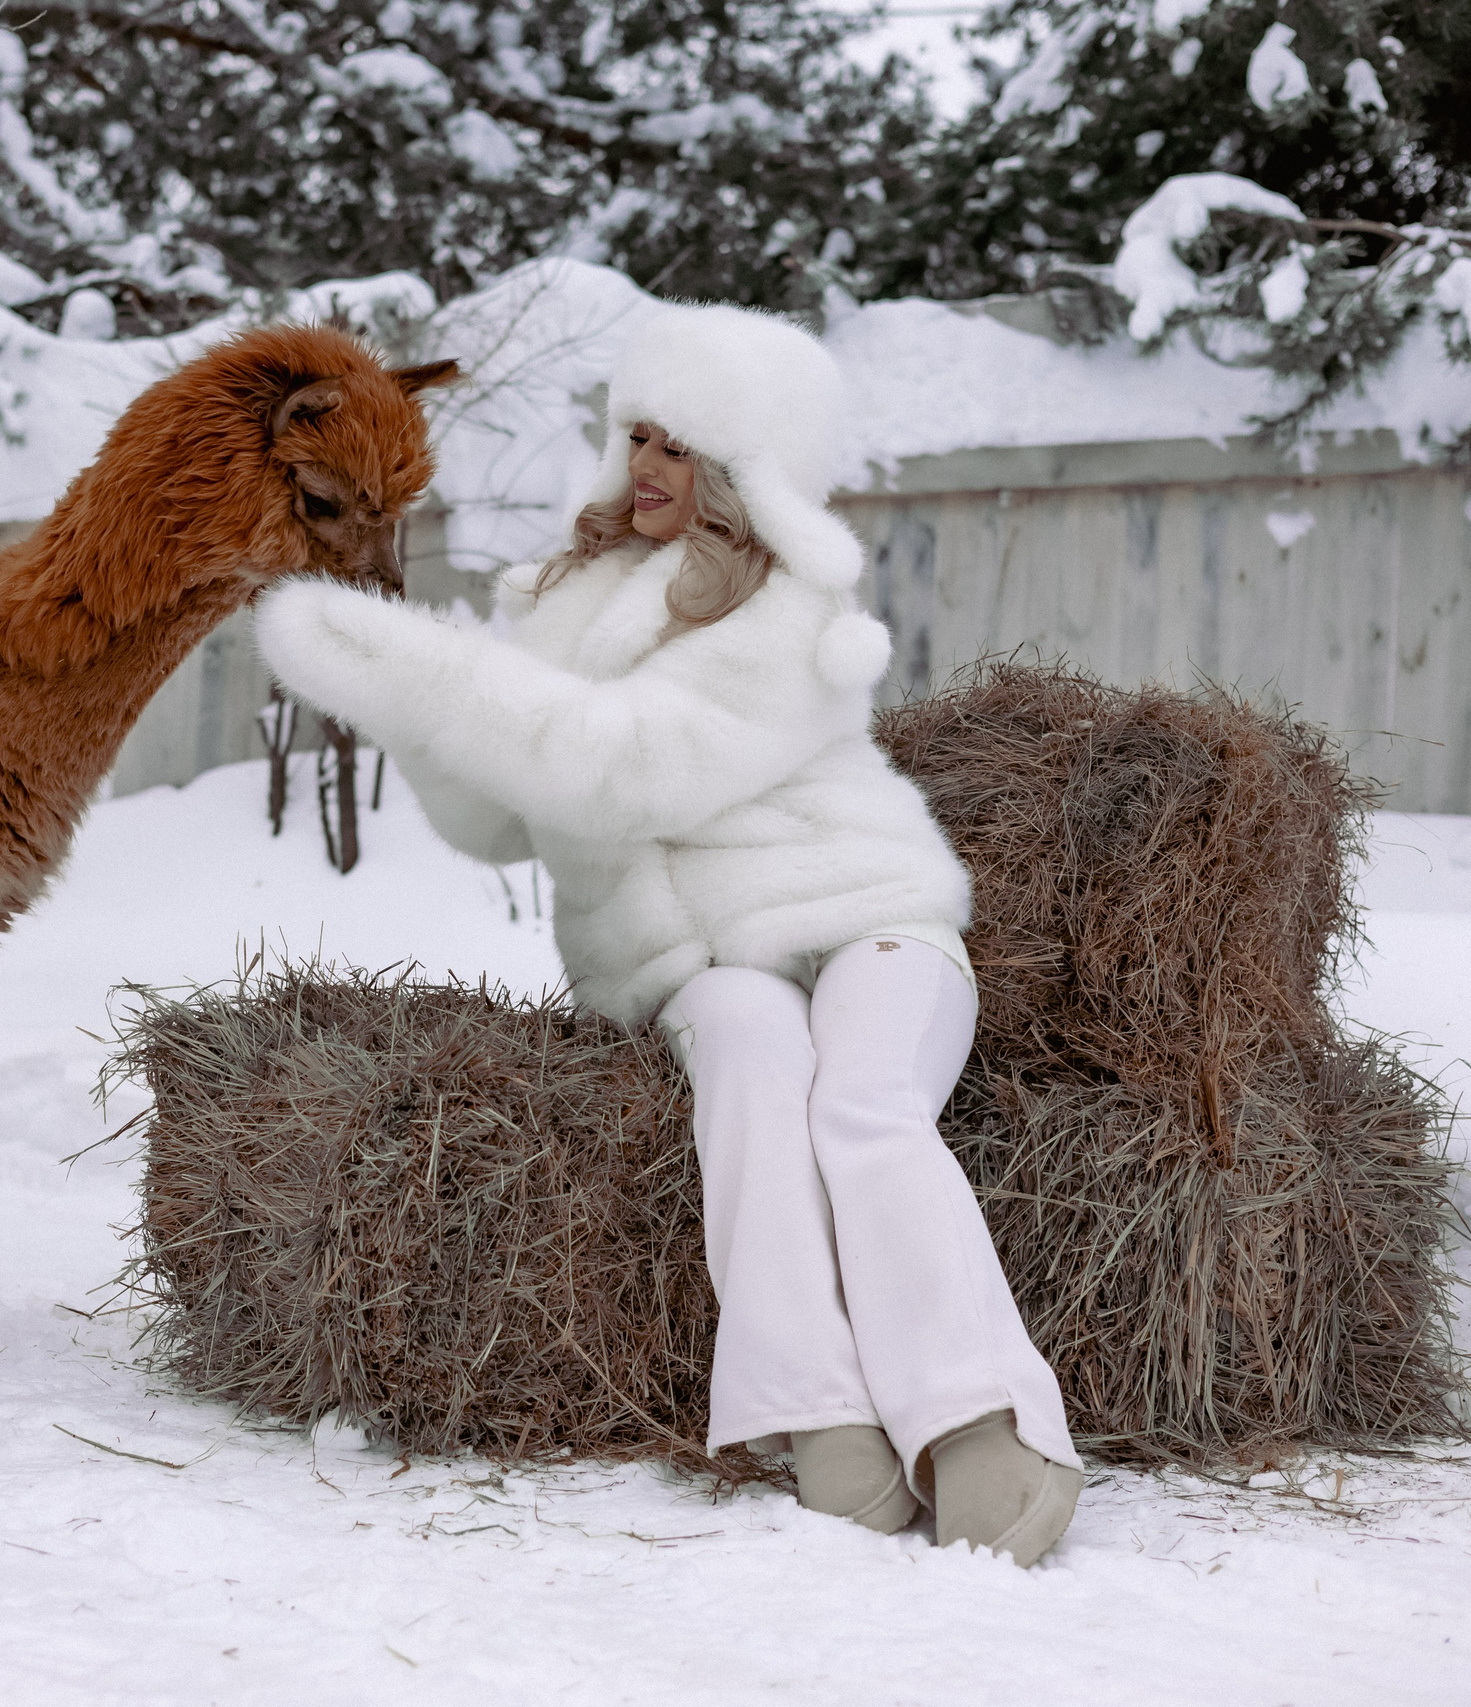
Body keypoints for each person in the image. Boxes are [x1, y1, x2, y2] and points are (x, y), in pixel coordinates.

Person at [253, 302, 1083, 1567]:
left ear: (745, 473)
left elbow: (624, 770)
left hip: (866, 921)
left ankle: (981, 1418)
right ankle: (815, 1415)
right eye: (636, 433)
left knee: (860, 1105)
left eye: (680, 445)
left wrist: (428, 676)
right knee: (750, 1070)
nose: (644, 465)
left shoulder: (796, 612)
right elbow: (493, 813)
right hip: (691, 963)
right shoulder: (569, 602)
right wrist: (395, 686)